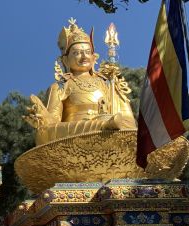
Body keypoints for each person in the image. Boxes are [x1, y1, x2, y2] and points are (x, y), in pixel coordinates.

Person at [24, 18, 136, 146]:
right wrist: (43, 118)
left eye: (87, 52)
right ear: (65, 60)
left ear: (94, 58)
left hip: (113, 131)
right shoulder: (60, 86)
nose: (84, 57)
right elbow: (52, 124)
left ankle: (105, 125)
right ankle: (102, 126)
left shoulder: (109, 83)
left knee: (131, 129)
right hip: (75, 135)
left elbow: (128, 121)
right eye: (77, 53)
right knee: (45, 132)